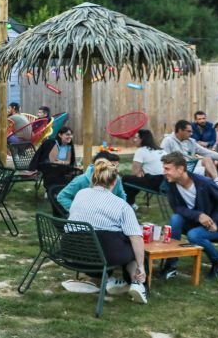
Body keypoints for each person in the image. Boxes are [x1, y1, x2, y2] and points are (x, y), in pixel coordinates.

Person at [67, 159, 148, 304]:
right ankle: (137, 283)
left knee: (114, 240)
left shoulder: (80, 194)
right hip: (102, 256)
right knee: (132, 246)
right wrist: (141, 265)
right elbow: (136, 238)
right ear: (115, 182)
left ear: (93, 178)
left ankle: (110, 280)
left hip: (72, 252)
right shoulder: (121, 205)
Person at [161, 151, 218, 280]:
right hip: (194, 222)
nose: (164, 172)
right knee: (176, 218)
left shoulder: (204, 183)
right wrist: (198, 215)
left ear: (180, 169)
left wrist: (214, 221)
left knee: (194, 235)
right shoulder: (170, 183)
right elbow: (177, 208)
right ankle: (171, 263)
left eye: (167, 169)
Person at [161, 120, 218, 185]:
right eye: (189, 131)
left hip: (191, 166)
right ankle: (210, 189)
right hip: (179, 169)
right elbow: (164, 159)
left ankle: (217, 180)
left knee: (207, 159)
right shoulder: (168, 141)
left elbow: (207, 152)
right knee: (207, 170)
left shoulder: (191, 141)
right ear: (180, 130)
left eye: (191, 132)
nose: (191, 134)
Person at [56, 151, 127, 212]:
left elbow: (121, 195)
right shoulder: (81, 180)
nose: (116, 170)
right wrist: (78, 210)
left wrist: (119, 210)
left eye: (116, 167)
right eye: (112, 166)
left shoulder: (116, 178)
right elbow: (62, 196)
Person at [121, 129, 165, 205]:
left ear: (142, 139)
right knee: (136, 180)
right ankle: (130, 203)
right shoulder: (162, 151)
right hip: (165, 183)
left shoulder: (141, 151)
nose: (134, 140)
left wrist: (140, 171)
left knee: (126, 179)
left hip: (154, 183)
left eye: (136, 137)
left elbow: (134, 173)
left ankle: (129, 204)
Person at [34, 126, 77, 191]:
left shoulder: (69, 146)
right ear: (60, 135)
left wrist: (62, 162)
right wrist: (61, 163)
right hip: (51, 169)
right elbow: (51, 161)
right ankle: (52, 190)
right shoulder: (54, 144)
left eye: (71, 135)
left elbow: (68, 161)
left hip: (62, 168)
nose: (70, 137)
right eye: (67, 134)